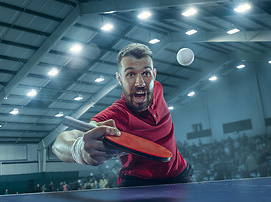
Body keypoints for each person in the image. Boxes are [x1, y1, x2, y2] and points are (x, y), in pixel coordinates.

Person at [52, 43, 193, 187]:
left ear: (154, 75)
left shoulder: (157, 88)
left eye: (146, 73)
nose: (140, 83)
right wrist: (78, 149)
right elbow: (59, 144)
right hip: (138, 183)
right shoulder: (116, 114)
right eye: (131, 74)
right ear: (120, 79)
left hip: (179, 174)